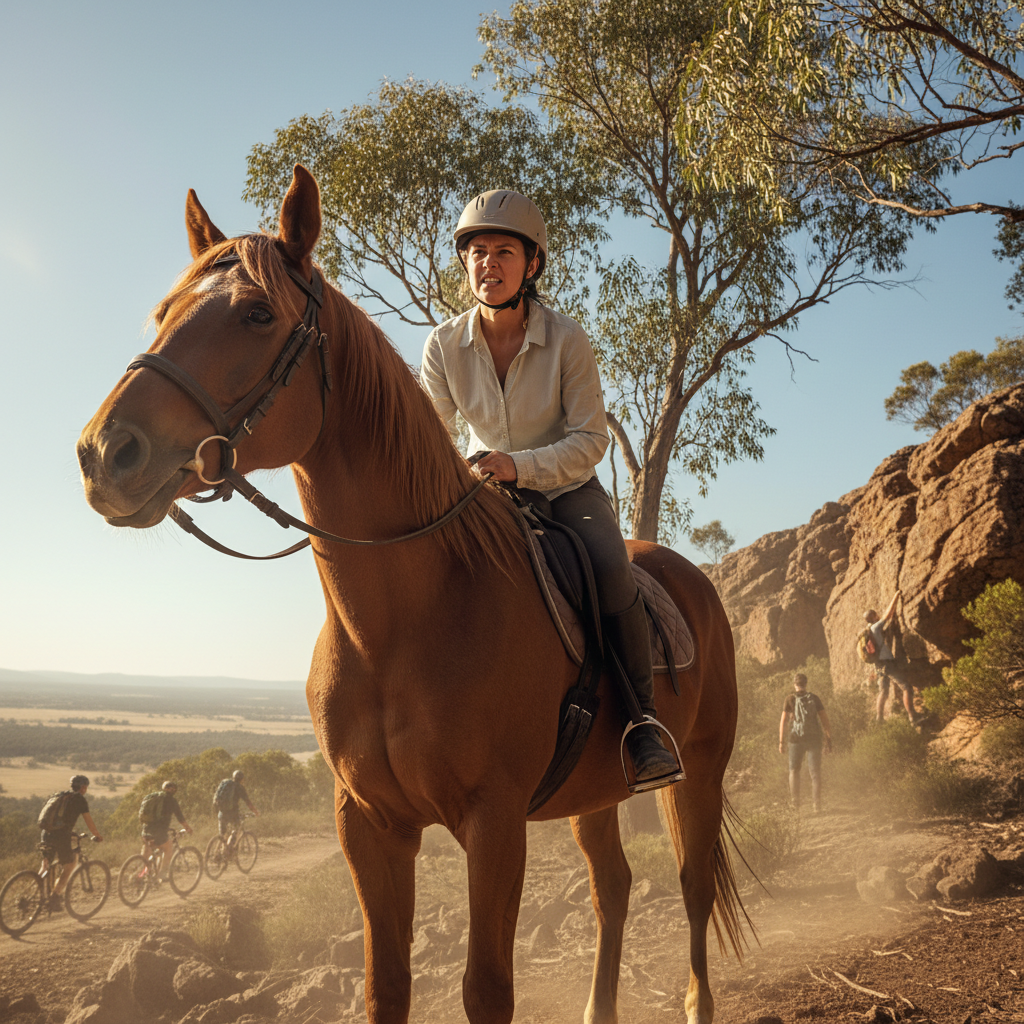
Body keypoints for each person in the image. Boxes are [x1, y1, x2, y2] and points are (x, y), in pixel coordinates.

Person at [420, 189, 683, 790]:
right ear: (465, 263)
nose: (489, 263)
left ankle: (643, 726)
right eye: (478, 251)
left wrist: (517, 465)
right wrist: (465, 474)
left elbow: (591, 441)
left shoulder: (568, 339)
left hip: (568, 490)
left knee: (612, 571)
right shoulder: (441, 345)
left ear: (531, 264)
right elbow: (433, 438)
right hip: (485, 492)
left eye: (504, 252)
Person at [38, 774, 103, 910]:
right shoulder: (79, 800)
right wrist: (97, 835)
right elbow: (88, 821)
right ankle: (54, 897)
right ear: (83, 787)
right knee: (70, 864)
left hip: (46, 833)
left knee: (45, 866)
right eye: (85, 787)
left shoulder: (59, 796)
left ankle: (38, 895)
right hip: (61, 835)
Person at [864, 590, 923, 725]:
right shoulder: (876, 627)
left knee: (884, 691)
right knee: (906, 687)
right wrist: (896, 596)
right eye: (875, 615)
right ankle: (913, 717)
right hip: (887, 664)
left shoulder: (869, 630)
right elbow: (887, 615)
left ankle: (879, 719)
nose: (878, 615)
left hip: (879, 665)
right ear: (873, 617)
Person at [778, 673, 833, 813]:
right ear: (806, 683)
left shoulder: (789, 699)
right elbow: (825, 720)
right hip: (814, 738)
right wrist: (828, 739)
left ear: (795, 684)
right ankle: (817, 806)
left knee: (794, 771)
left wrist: (781, 742)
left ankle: (795, 806)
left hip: (796, 739)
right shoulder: (814, 698)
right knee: (815, 773)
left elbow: (783, 722)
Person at [139, 780, 193, 880]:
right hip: (159, 831)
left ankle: (143, 874)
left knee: (148, 847)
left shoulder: (153, 797)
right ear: (174, 790)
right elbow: (180, 817)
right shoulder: (171, 801)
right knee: (168, 848)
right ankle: (162, 875)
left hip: (146, 828)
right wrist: (188, 828)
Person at [214, 769, 259, 839]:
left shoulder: (226, 783)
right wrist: (255, 812)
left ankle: (222, 847)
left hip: (221, 812)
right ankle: (230, 847)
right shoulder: (240, 788)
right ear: (241, 779)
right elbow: (248, 802)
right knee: (236, 830)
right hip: (232, 814)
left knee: (222, 835)